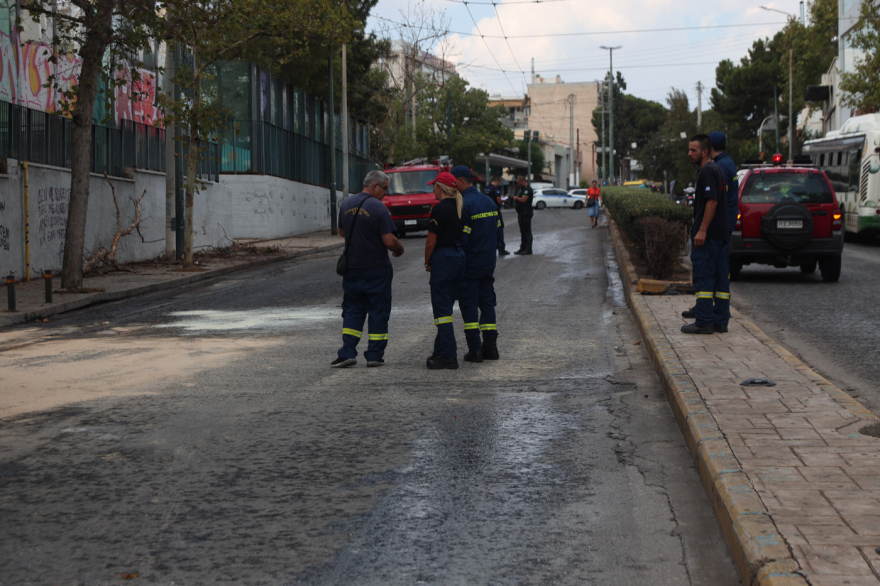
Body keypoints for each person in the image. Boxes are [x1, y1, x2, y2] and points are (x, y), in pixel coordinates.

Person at [332, 170, 404, 367]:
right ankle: (374, 355)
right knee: (378, 310)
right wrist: (399, 249)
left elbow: (341, 231)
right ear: (375, 186)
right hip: (376, 269)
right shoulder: (378, 208)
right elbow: (389, 240)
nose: (385, 193)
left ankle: (347, 352)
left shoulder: (346, 203)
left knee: (353, 309)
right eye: (385, 188)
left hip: (352, 268)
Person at [682, 131, 738, 322]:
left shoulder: (709, 170)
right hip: (721, 232)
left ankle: (704, 319)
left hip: (710, 234)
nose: (689, 154)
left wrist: (702, 229)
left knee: (704, 276)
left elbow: (712, 201)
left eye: (693, 150)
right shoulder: (724, 166)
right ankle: (721, 319)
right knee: (721, 277)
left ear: (706, 151)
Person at [451, 165, 500, 362]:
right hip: (488, 263)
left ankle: (475, 350)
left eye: (453, 183)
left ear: (461, 182)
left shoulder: (464, 205)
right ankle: (491, 348)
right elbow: (498, 232)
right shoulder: (489, 202)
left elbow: (463, 240)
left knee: (469, 305)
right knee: (487, 303)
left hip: (470, 265)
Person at [424, 172, 466, 370]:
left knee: (441, 311)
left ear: (440, 188)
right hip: (458, 258)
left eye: (434, 186)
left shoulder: (439, 210)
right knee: (446, 309)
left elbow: (431, 241)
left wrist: (427, 262)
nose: (432, 189)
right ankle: (440, 351)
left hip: (444, 259)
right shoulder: (460, 208)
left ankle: (449, 356)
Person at [485, 176, 509, 255]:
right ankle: (501, 249)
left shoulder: (486, 188)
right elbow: (499, 201)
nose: (498, 184)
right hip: (495, 212)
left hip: (487, 211)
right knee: (499, 229)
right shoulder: (495, 189)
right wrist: (503, 199)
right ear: (496, 181)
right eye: (498, 183)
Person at [512, 175, 534, 255]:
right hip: (521, 213)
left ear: (522, 181)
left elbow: (524, 200)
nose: (517, 184)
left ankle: (528, 249)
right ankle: (522, 248)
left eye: (518, 183)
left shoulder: (527, 189)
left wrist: (516, 198)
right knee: (522, 231)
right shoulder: (522, 189)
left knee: (527, 232)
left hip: (526, 213)